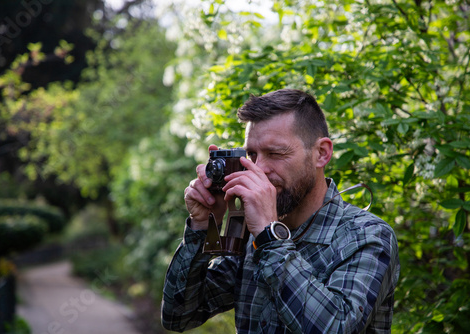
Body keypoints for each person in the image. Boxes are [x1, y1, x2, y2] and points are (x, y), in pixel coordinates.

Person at [161, 89, 400, 333]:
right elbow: (178, 316)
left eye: (275, 153)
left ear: (322, 153)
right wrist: (203, 225)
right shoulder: (248, 234)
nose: (259, 168)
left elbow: (335, 328)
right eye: (251, 154)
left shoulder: (367, 235)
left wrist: (269, 236)